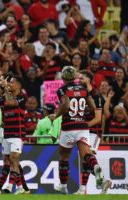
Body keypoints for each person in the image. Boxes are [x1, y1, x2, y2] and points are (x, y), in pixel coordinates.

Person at [50, 66, 106, 194]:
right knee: (86, 153)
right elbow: (92, 108)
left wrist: (55, 116)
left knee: (64, 157)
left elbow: (65, 105)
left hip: (68, 126)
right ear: (75, 77)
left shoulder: (62, 90)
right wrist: (80, 112)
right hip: (82, 126)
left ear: (63, 77)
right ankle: (96, 166)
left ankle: (63, 186)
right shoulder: (84, 89)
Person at [0, 75, 29, 194]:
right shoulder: (4, 98)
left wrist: (5, 89)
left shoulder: (22, 98)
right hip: (6, 133)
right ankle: (21, 188)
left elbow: (11, 103)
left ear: (18, 85)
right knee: (8, 161)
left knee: (13, 158)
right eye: (9, 82)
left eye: (11, 82)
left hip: (18, 133)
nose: (10, 84)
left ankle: (10, 187)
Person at [75, 70, 112, 194]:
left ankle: (84, 188)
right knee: (86, 160)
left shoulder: (96, 96)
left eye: (82, 78)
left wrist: (82, 125)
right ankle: (95, 184)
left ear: (89, 79)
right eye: (78, 79)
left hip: (93, 132)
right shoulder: (79, 95)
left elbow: (97, 119)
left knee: (87, 158)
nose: (79, 80)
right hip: (83, 131)